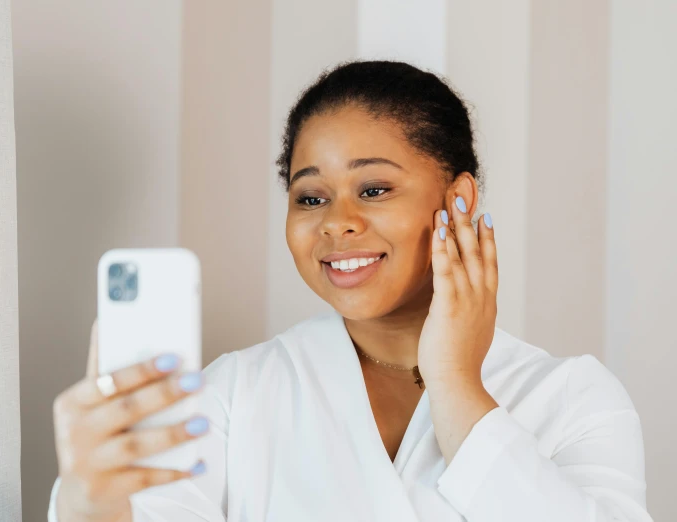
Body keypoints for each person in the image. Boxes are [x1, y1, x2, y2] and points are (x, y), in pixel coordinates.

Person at [48, 60, 653, 522]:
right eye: (310, 198)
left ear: (458, 201)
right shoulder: (231, 395)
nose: (336, 221)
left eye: (373, 189)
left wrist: (456, 386)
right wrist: (87, 500)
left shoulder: (574, 398)